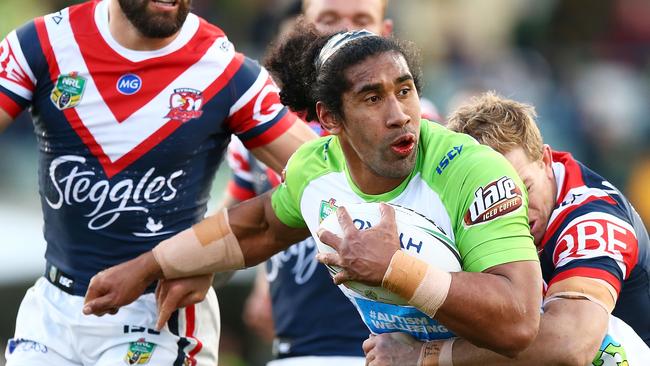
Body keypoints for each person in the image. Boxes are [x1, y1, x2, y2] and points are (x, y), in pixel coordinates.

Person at [83, 23, 543, 360]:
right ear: (328, 119)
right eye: (372, 98)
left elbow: (520, 323)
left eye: (405, 91)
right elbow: (257, 227)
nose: (401, 114)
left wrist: (397, 270)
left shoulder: (470, 170)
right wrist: (146, 267)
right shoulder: (313, 169)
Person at [0, 0, 316, 364]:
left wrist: (205, 258)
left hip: (159, 314)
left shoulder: (226, 70)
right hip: (53, 310)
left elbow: (329, 180)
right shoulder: (40, 43)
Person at [363, 92, 650, 365]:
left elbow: (570, 345)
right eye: (494, 198)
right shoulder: (454, 201)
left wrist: (423, 356)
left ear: (545, 161)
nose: (514, 212)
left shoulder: (594, 221)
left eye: (522, 189)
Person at [232, 1, 440, 364]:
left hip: (388, 350)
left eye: (361, 22)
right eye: (329, 21)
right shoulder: (260, 130)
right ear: (302, 34)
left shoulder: (419, 125)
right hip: (296, 351)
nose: (345, 33)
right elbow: (251, 223)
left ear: (385, 33)